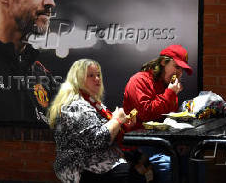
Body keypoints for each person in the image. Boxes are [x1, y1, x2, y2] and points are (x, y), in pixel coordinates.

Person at [48, 59, 136, 183]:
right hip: (81, 167)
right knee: (134, 176)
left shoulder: (92, 102)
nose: (97, 79)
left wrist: (123, 123)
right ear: (78, 79)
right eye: (90, 75)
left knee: (139, 169)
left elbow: (102, 131)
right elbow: (97, 140)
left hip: (100, 161)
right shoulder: (76, 105)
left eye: (98, 75)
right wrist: (116, 120)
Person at [122, 44, 193, 182]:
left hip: (163, 140)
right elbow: (146, 113)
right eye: (176, 67)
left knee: (194, 159)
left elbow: (169, 119)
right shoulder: (139, 80)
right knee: (168, 165)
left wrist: (181, 141)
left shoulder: (168, 86)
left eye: (182, 69)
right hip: (139, 140)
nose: (179, 73)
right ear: (163, 62)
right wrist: (170, 94)